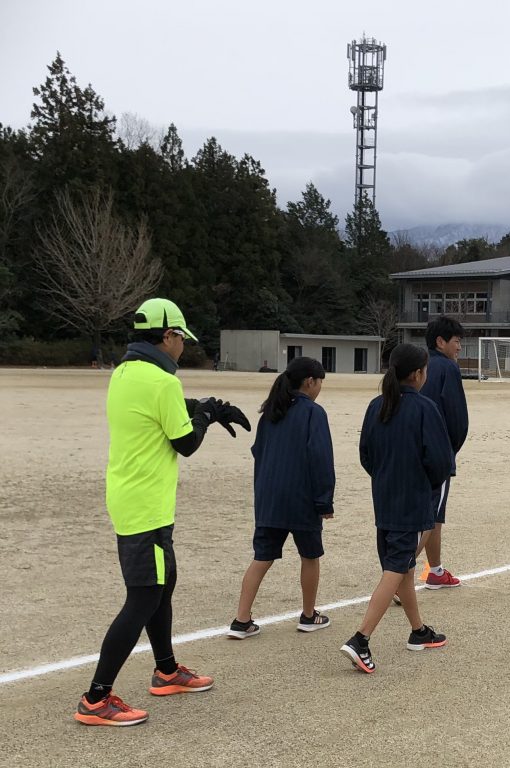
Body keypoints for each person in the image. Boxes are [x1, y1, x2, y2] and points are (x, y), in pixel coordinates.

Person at [75, 298, 251, 727]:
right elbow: (186, 443)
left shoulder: (125, 373)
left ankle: (167, 671)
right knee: (143, 597)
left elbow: (161, 406)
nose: (183, 348)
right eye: (180, 340)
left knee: (163, 585)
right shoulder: (161, 383)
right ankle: (97, 699)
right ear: (168, 336)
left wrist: (202, 404)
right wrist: (207, 414)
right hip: (145, 508)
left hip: (131, 497)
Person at [342, 344, 454, 674]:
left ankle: (418, 631)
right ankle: (361, 639)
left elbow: (366, 455)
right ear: (418, 374)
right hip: (412, 500)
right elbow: (441, 461)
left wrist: (385, 477)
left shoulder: (377, 405)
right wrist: (428, 486)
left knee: (403, 565)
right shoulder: (424, 408)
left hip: (385, 497)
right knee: (396, 567)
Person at [227, 357, 335, 639]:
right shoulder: (314, 413)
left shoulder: (271, 413)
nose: (320, 387)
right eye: (320, 381)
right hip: (302, 499)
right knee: (310, 556)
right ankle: (309, 615)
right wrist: (324, 501)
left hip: (270, 499)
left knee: (262, 557)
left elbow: (258, 453)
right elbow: (320, 458)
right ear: (310, 382)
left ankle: (241, 619)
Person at [416, 316, 469, 590]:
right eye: (457, 341)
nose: (460, 347)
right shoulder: (448, 368)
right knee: (431, 514)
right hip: (436, 454)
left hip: (412, 450)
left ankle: (435, 570)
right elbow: (457, 418)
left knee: (434, 515)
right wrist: (449, 450)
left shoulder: (419, 365)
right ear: (441, 341)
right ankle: (398, 576)